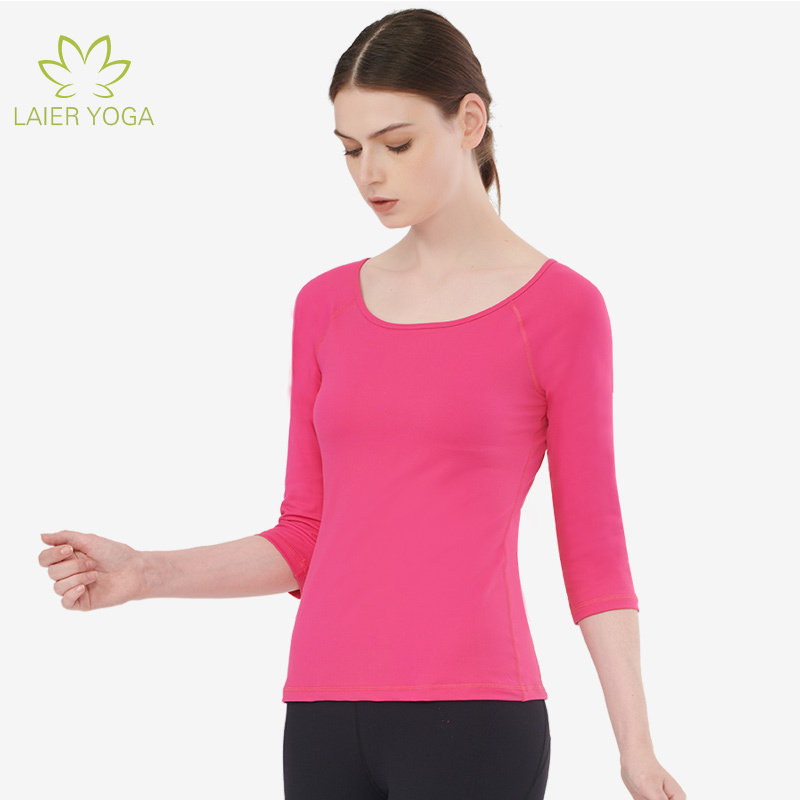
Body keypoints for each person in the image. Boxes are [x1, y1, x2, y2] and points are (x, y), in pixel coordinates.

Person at [37, 8, 687, 800]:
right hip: (320, 713)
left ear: (469, 122)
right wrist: (145, 572)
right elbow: (305, 534)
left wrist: (636, 748)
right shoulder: (325, 305)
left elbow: (593, 548)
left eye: (396, 144)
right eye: (350, 150)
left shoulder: (561, 310)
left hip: (474, 716)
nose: (369, 174)